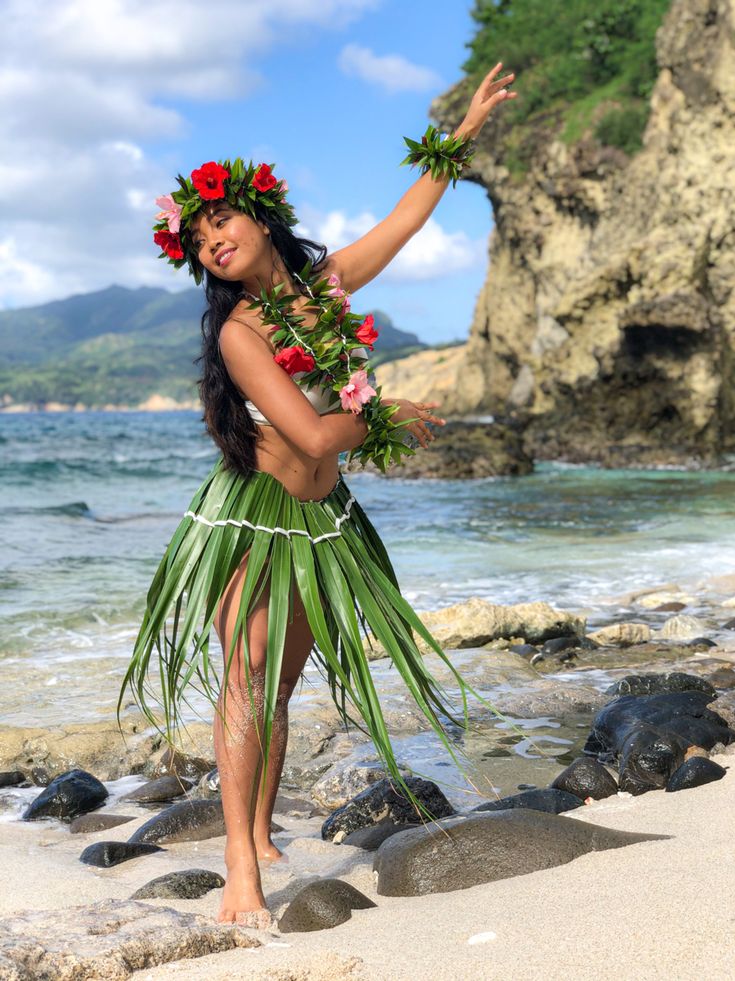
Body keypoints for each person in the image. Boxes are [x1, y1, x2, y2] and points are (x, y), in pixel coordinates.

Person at [117, 62, 517, 927]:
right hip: (257, 520)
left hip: (324, 523)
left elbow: (404, 223)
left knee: (283, 682)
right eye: (197, 237)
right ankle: (239, 869)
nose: (211, 239)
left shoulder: (322, 288)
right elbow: (309, 432)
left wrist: (466, 132)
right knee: (248, 677)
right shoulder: (239, 331)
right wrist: (384, 416)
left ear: (259, 217)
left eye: (220, 219)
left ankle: (260, 832)